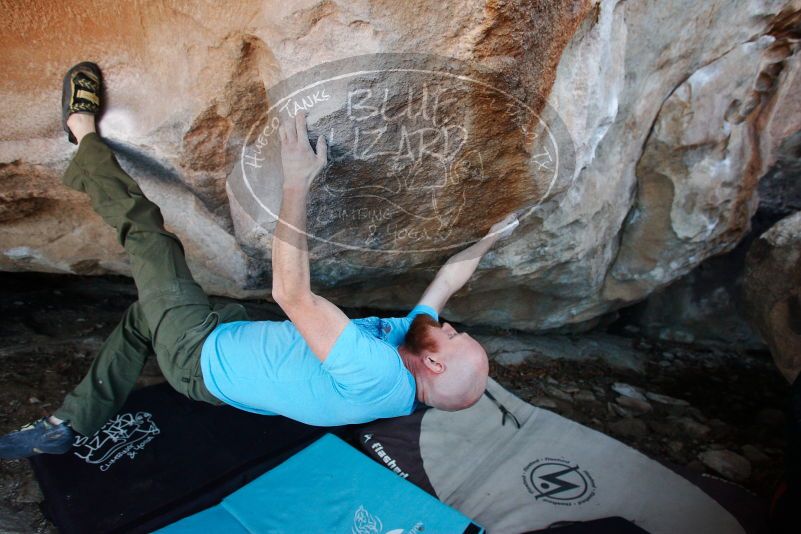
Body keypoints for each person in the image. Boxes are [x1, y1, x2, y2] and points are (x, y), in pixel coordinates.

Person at [0, 62, 518, 459]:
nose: (447, 327)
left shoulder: (376, 375)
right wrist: (493, 237)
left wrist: (296, 180)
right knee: (143, 318)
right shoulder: (412, 357)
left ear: (433, 362)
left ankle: (82, 131)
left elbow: (291, 294)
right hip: (226, 345)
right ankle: (69, 425)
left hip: (197, 352)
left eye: (453, 337)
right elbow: (447, 282)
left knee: (150, 237)